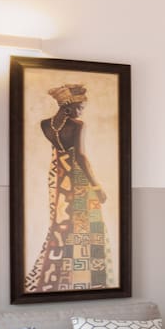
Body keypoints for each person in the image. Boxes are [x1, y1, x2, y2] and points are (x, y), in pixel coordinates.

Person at [24, 82, 112, 293]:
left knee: (62, 223)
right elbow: (81, 157)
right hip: (78, 177)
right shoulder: (77, 125)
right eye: (80, 106)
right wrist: (97, 185)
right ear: (67, 107)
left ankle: (63, 275)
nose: (82, 111)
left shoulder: (45, 124)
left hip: (58, 174)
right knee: (89, 226)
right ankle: (87, 278)